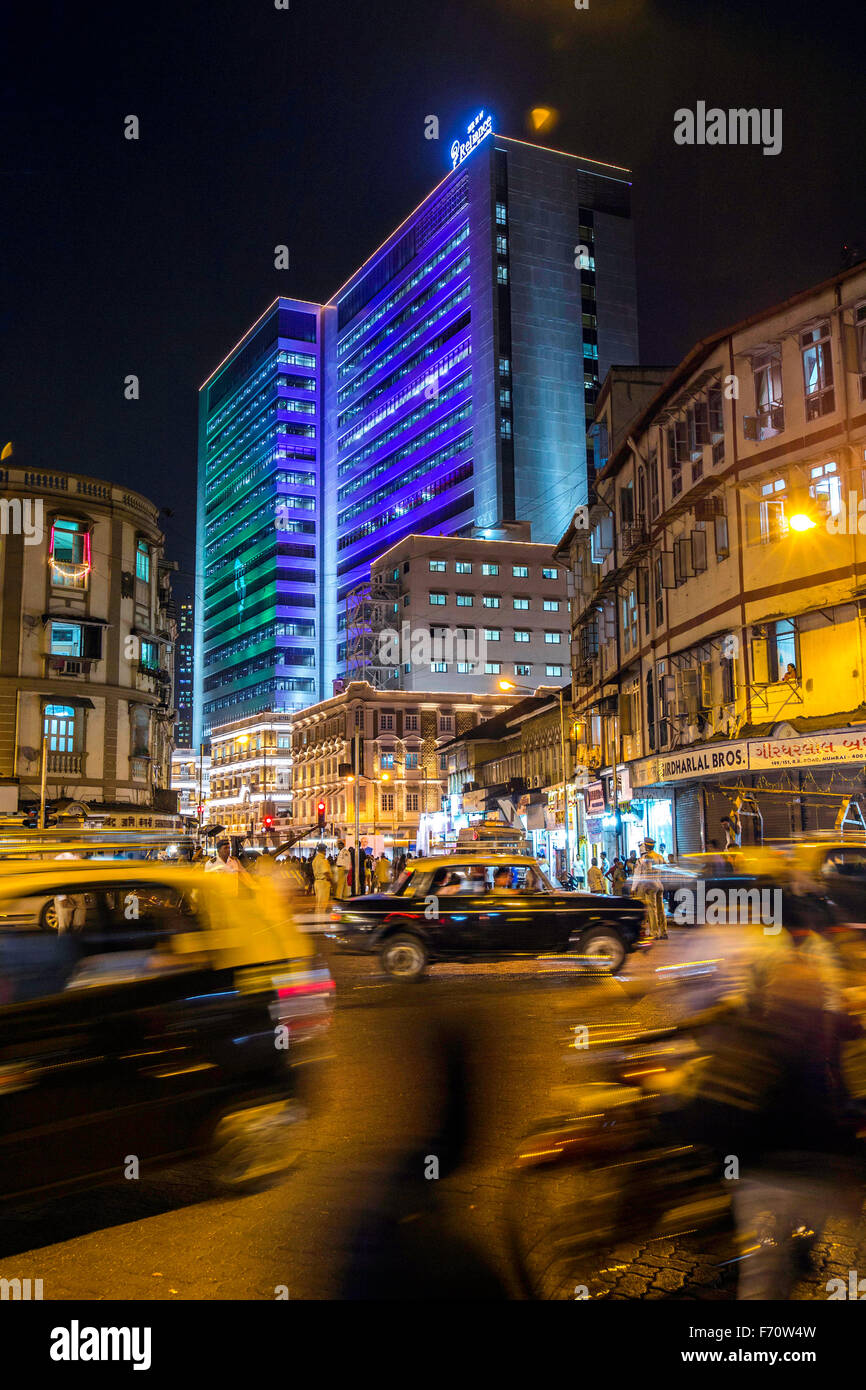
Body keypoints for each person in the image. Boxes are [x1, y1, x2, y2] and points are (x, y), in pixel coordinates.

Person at [631, 836, 667, 938]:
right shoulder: (660, 856)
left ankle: (654, 932)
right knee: (661, 909)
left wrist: (646, 885)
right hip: (659, 884)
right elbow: (665, 868)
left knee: (652, 909)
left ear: (646, 846)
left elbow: (648, 871)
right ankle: (664, 931)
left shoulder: (648, 857)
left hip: (651, 885)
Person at [53, 851, 86, 932]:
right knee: (64, 926)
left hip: (78, 893)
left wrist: (86, 893)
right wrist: (62, 897)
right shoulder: (62, 858)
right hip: (65, 893)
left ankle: (75, 942)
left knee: (79, 923)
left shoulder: (79, 857)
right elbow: (57, 877)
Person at [312, 843, 332, 914]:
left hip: (317, 882)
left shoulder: (315, 859)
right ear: (324, 851)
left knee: (318, 903)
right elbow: (326, 872)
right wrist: (331, 880)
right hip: (323, 883)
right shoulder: (323, 860)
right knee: (322, 904)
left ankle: (318, 919)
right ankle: (320, 921)